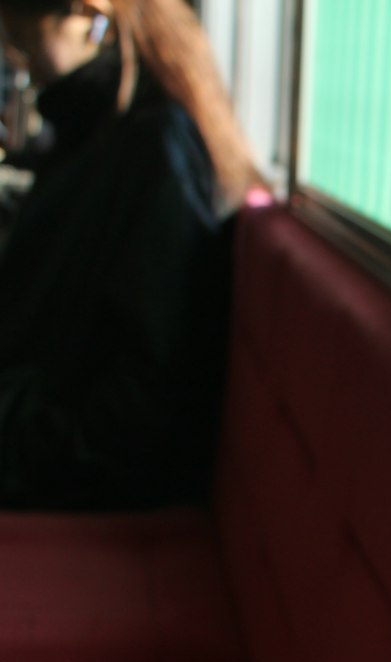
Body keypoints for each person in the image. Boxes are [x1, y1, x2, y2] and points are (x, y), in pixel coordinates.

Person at [0, 0, 258, 509]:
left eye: (27, 45)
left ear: (91, 17)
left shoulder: (153, 148)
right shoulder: (100, 131)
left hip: (72, 471)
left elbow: (136, 412)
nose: (23, 69)